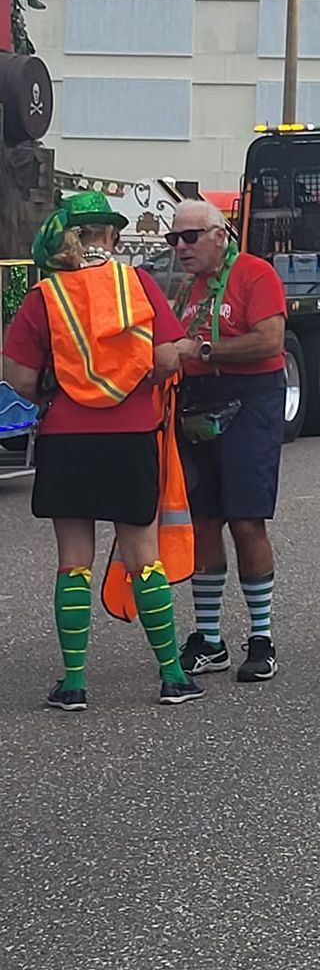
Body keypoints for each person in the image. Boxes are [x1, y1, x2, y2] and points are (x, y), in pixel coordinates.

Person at [2, 193, 205, 709]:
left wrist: (53, 392)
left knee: (73, 561)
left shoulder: (45, 297)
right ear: (110, 237)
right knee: (143, 556)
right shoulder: (135, 284)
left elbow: (18, 376)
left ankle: (73, 685)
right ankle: (173, 676)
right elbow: (163, 357)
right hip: (131, 433)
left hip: (67, 437)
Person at [169, 198, 289, 684]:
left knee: (245, 520)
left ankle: (261, 638)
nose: (179, 247)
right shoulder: (187, 288)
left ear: (220, 235)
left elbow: (269, 341)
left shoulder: (256, 275)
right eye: (173, 239)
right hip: (200, 399)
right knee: (203, 521)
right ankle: (209, 638)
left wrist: (200, 348)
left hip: (250, 397)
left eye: (189, 237)